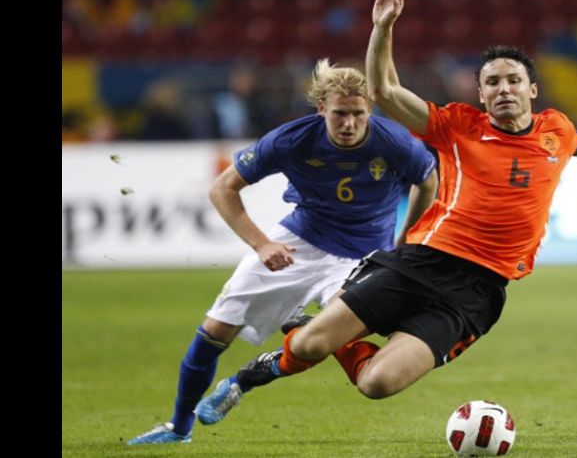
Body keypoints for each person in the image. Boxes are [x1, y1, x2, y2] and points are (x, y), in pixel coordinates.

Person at [194, 0, 577, 425]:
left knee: (376, 383)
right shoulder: (457, 126)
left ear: (532, 89)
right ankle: (249, 377)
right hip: (422, 262)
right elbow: (384, 90)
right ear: (481, 94)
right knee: (310, 345)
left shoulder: (556, 130)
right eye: (493, 82)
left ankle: (316, 330)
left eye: (513, 80)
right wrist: (383, 27)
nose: (503, 88)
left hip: (478, 292)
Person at [127, 57, 438, 445]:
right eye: (340, 114)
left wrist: (406, 238)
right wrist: (262, 243)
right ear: (321, 108)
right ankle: (178, 429)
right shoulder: (292, 139)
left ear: (369, 109)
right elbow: (222, 188)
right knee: (215, 330)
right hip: (300, 242)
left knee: (332, 334)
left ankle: (248, 377)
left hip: (363, 256)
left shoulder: (393, 142)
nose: (349, 123)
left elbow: (428, 182)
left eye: (358, 114)